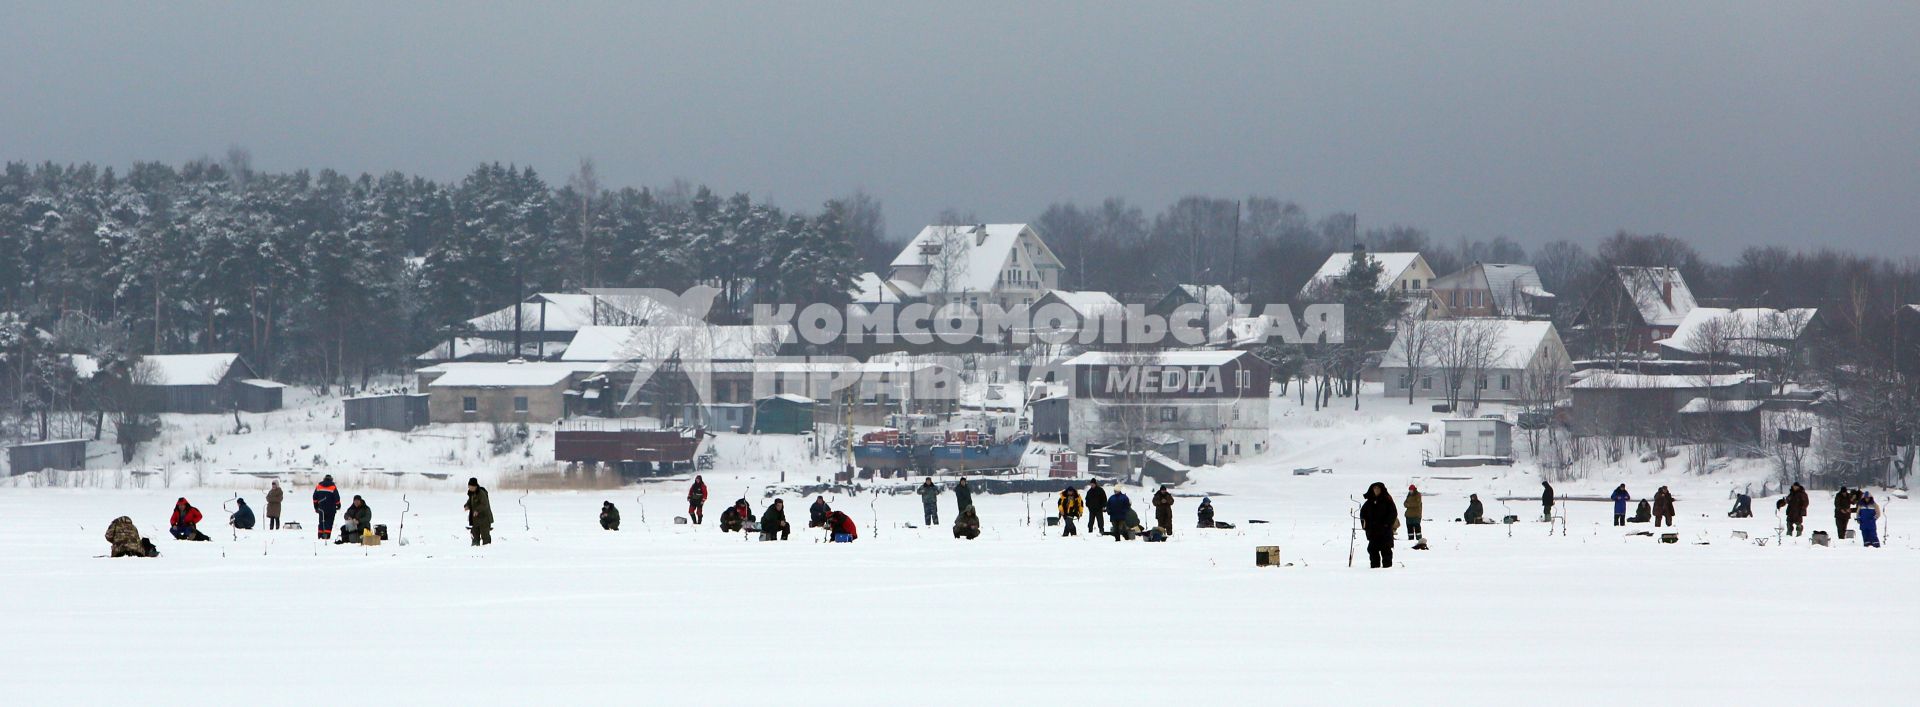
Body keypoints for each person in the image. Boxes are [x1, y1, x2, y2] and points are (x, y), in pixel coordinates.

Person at [1359, 482, 1398, 568]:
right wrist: (1365, 526)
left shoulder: (1387, 500)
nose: (1376, 490)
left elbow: (1393, 513)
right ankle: (1374, 568)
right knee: (1372, 549)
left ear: (1381, 489)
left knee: (1386, 550)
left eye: (1378, 488)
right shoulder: (1369, 502)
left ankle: (1387, 569)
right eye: (1374, 488)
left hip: (1385, 531)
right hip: (1373, 531)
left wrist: (1387, 524)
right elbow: (1362, 515)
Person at [465, 477, 493, 546]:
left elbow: (484, 504)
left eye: (471, 486)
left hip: (484, 519)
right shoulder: (471, 493)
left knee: (485, 536)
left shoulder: (481, 493)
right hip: (476, 520)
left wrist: (477, 510)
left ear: (475, 486)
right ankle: (475, 550)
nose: (470, 488)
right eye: (469, 486)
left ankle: (487, 551)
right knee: (475, 536)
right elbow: (470, 502)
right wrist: (467, 506)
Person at [313, 475, 342, 540]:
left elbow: (314, 497)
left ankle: (320, 536)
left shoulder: (318, 486)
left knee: (321, 522)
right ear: (331, 479)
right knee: (329, 522)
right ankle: (327, 536)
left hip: (321, 508)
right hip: (331, 508)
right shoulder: (333, 487)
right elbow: (337, 498)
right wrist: (338, 505)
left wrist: (316, 507)